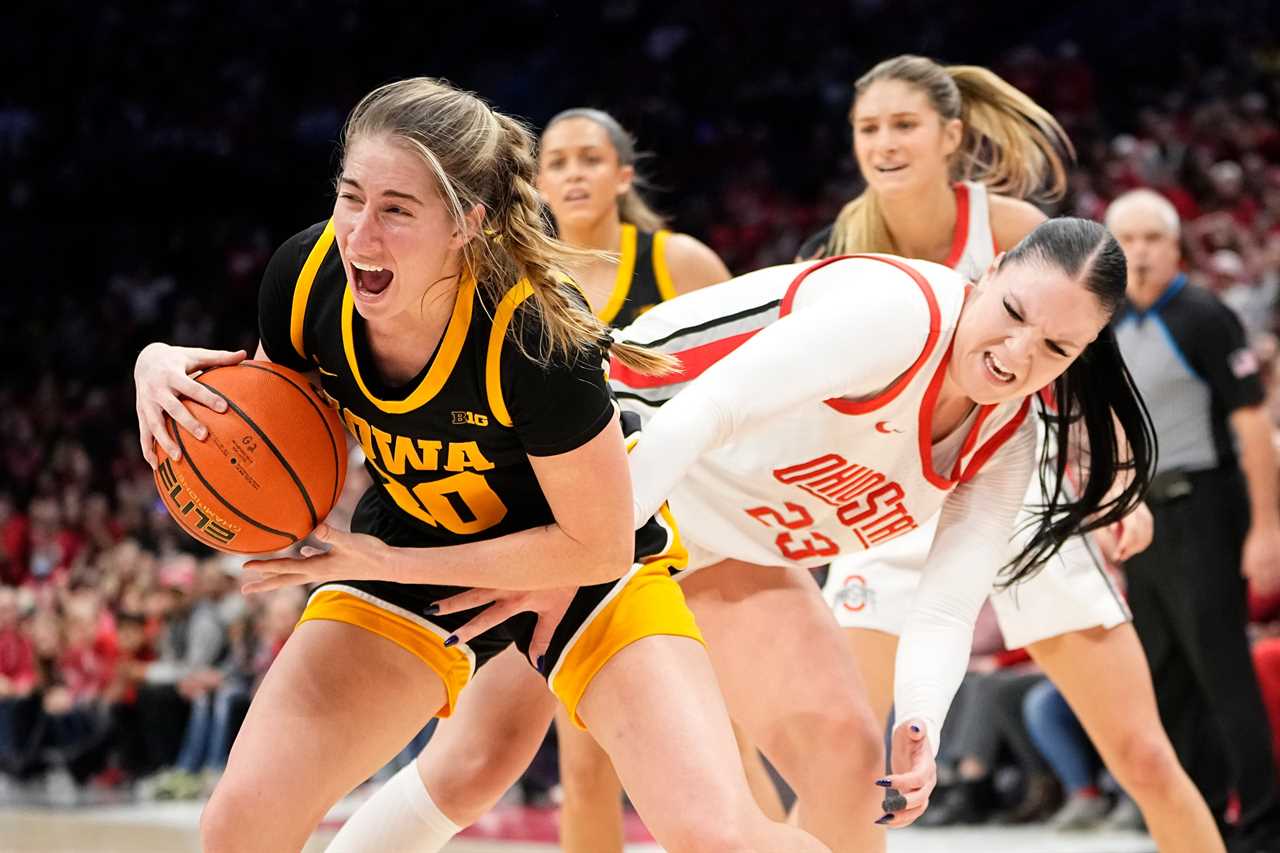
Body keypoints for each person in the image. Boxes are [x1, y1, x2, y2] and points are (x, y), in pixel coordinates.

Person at [132, 77, 826, 853]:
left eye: (397, 209)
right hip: (415, 542)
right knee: (242, 821)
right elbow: (269, 427)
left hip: (585, 560)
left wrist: (389, 558)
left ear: (467, 221)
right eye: (351, 196)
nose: (360, 235)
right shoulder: (306, 278)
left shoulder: (531, 331)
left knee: (714, 835)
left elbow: (596, 544)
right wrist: (164, 374)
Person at [337, 213, 1155, 853]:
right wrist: (581, 556)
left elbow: (943, 612)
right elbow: (702, 415)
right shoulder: (899, 314)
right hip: (610, 466)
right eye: (1012, 315)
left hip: (719, 536)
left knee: (845, 750)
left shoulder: (1005, 441)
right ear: (992, 272)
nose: (1016, 355)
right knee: (480, 759)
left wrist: (925, 723)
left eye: (1054, 348)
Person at [804, 55, 1222, 853]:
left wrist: (1119, 484)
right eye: (869, 128)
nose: (884, 143)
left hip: (1020, 491)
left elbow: (1094, 373)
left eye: (904, 125)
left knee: (1141, 751)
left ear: (950, 134)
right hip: (892, 505)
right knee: (842, 762)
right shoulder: (841, 247)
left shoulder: (1010, 231)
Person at [534, 106, 786, 850]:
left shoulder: (681, 264)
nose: (574, 173)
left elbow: (761, 383)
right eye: (558, 161)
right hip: (583, 533)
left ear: (623, 173)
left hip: (693, 528)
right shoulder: (523, 277)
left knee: (727, 746)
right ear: (538, 181)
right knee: (584, 760)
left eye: (589, 158)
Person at [1109, 187, 1280, 853]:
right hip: (1142, 515)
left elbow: (1251, 424)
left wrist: (1266, 528)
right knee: (1167, 675)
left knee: (1223, 669)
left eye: (1153, 237)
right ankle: (1199, 824)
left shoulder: (1204, 315)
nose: (1141, 250)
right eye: (1128, 239)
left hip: (1207, 506)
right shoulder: (1110, 321)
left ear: (1176, 245)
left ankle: (1263, 828)